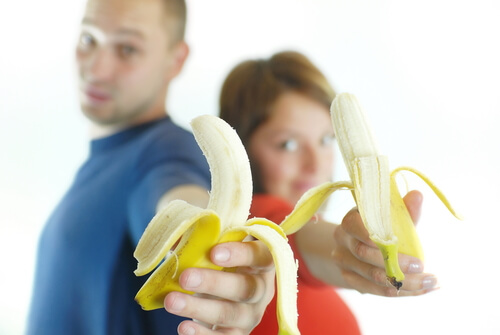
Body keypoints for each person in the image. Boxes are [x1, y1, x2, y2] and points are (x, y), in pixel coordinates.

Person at [26, 0, 275, 334]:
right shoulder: (101, 163)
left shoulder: (164, 150)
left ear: (176, 59)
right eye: (89, 39)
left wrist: (206, 243)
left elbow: (175, 195)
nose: (98, 69)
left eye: (128, 48)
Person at [219, 51, 436, 334]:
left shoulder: (327, 299)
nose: (315, 164)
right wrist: (345, 246)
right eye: (288, 145)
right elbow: (291, 237)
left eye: (326, 139)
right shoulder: (252, 231)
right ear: (241, 150)